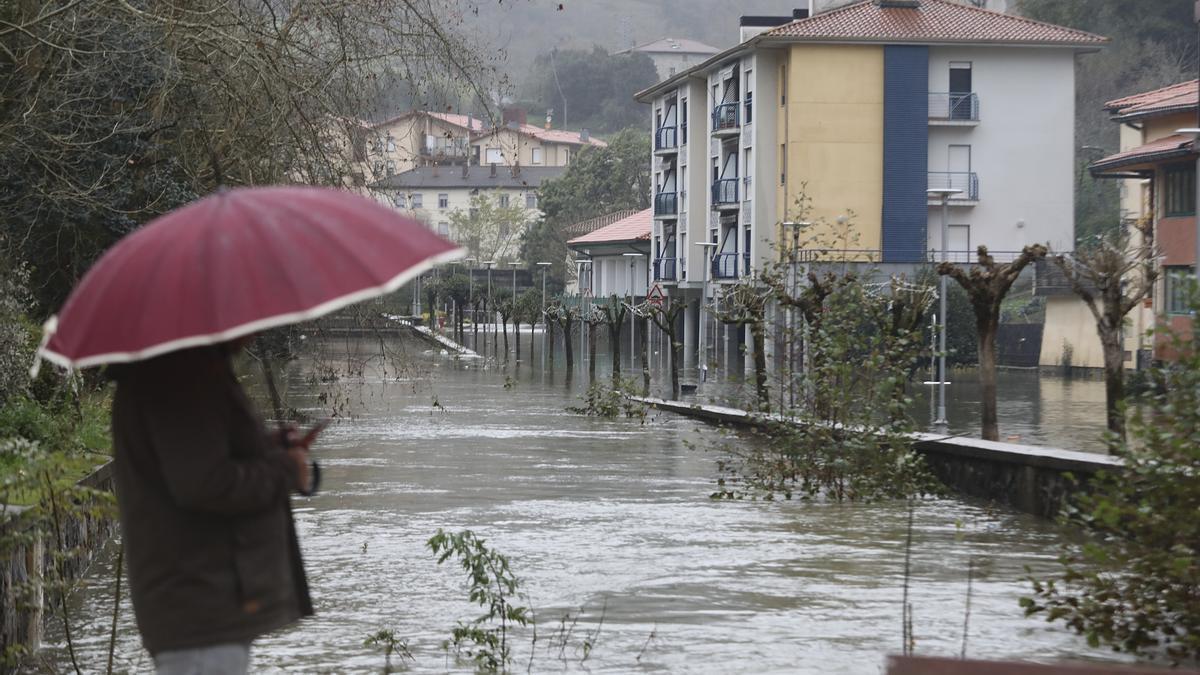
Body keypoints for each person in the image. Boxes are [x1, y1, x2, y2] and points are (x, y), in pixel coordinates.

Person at [109, 343, 316, 674]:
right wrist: (286, 470)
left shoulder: (177, 369)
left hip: (200, 600)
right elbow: (205, 483)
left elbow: (199, 456)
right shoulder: (180, 376)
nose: (254, 331)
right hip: (200, 603)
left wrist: (266, 447)